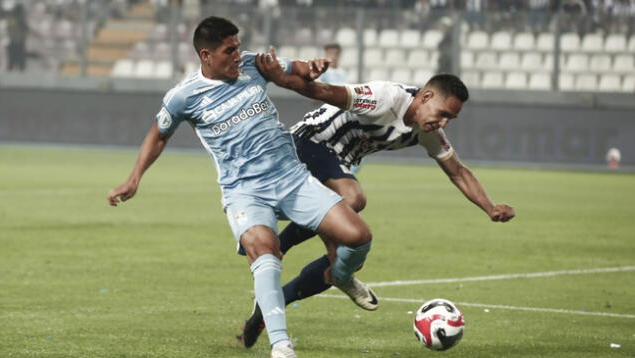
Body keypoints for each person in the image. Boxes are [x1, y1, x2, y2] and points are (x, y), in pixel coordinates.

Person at [107, 17, 376, 358]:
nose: (237, 55)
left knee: (358, 237)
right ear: (206, 55)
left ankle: (339, 275)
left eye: (237, 47)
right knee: (265, 250)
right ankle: (281, 347)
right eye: (229, 50)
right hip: (245, 191)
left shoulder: (253, 64)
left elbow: (299, 69)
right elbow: (158, 135)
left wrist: (314, 67)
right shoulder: (183, 97)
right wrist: (135, 178)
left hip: (292, 179)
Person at [237, 50, 516, 348]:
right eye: (443, 113)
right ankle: (282, 245)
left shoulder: (427, 131)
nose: (444, 123)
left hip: (338, 162)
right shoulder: (385, 97)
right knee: (353, 199)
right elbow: (322, 91)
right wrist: (280, 78)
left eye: (451, 118)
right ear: (426, 96)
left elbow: (458, 171)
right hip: (308, 141)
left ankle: (268, 309)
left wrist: (490, 207)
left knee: (342, 260)